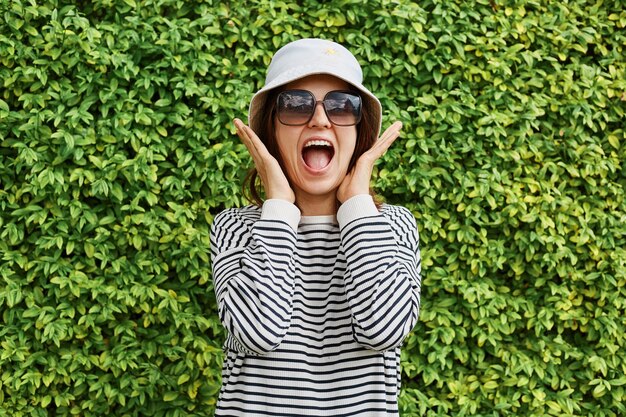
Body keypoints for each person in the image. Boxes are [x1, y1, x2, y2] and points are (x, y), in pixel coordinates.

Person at [210, 38, 422, 416]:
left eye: (343, 105)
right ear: (270, 131)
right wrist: (278, 205)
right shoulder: (234, 229)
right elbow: (259, 332)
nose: (321, 119)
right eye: (295, 105)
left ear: (360, 132)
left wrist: (357, 204)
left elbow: (384, 330)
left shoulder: (394, 226)